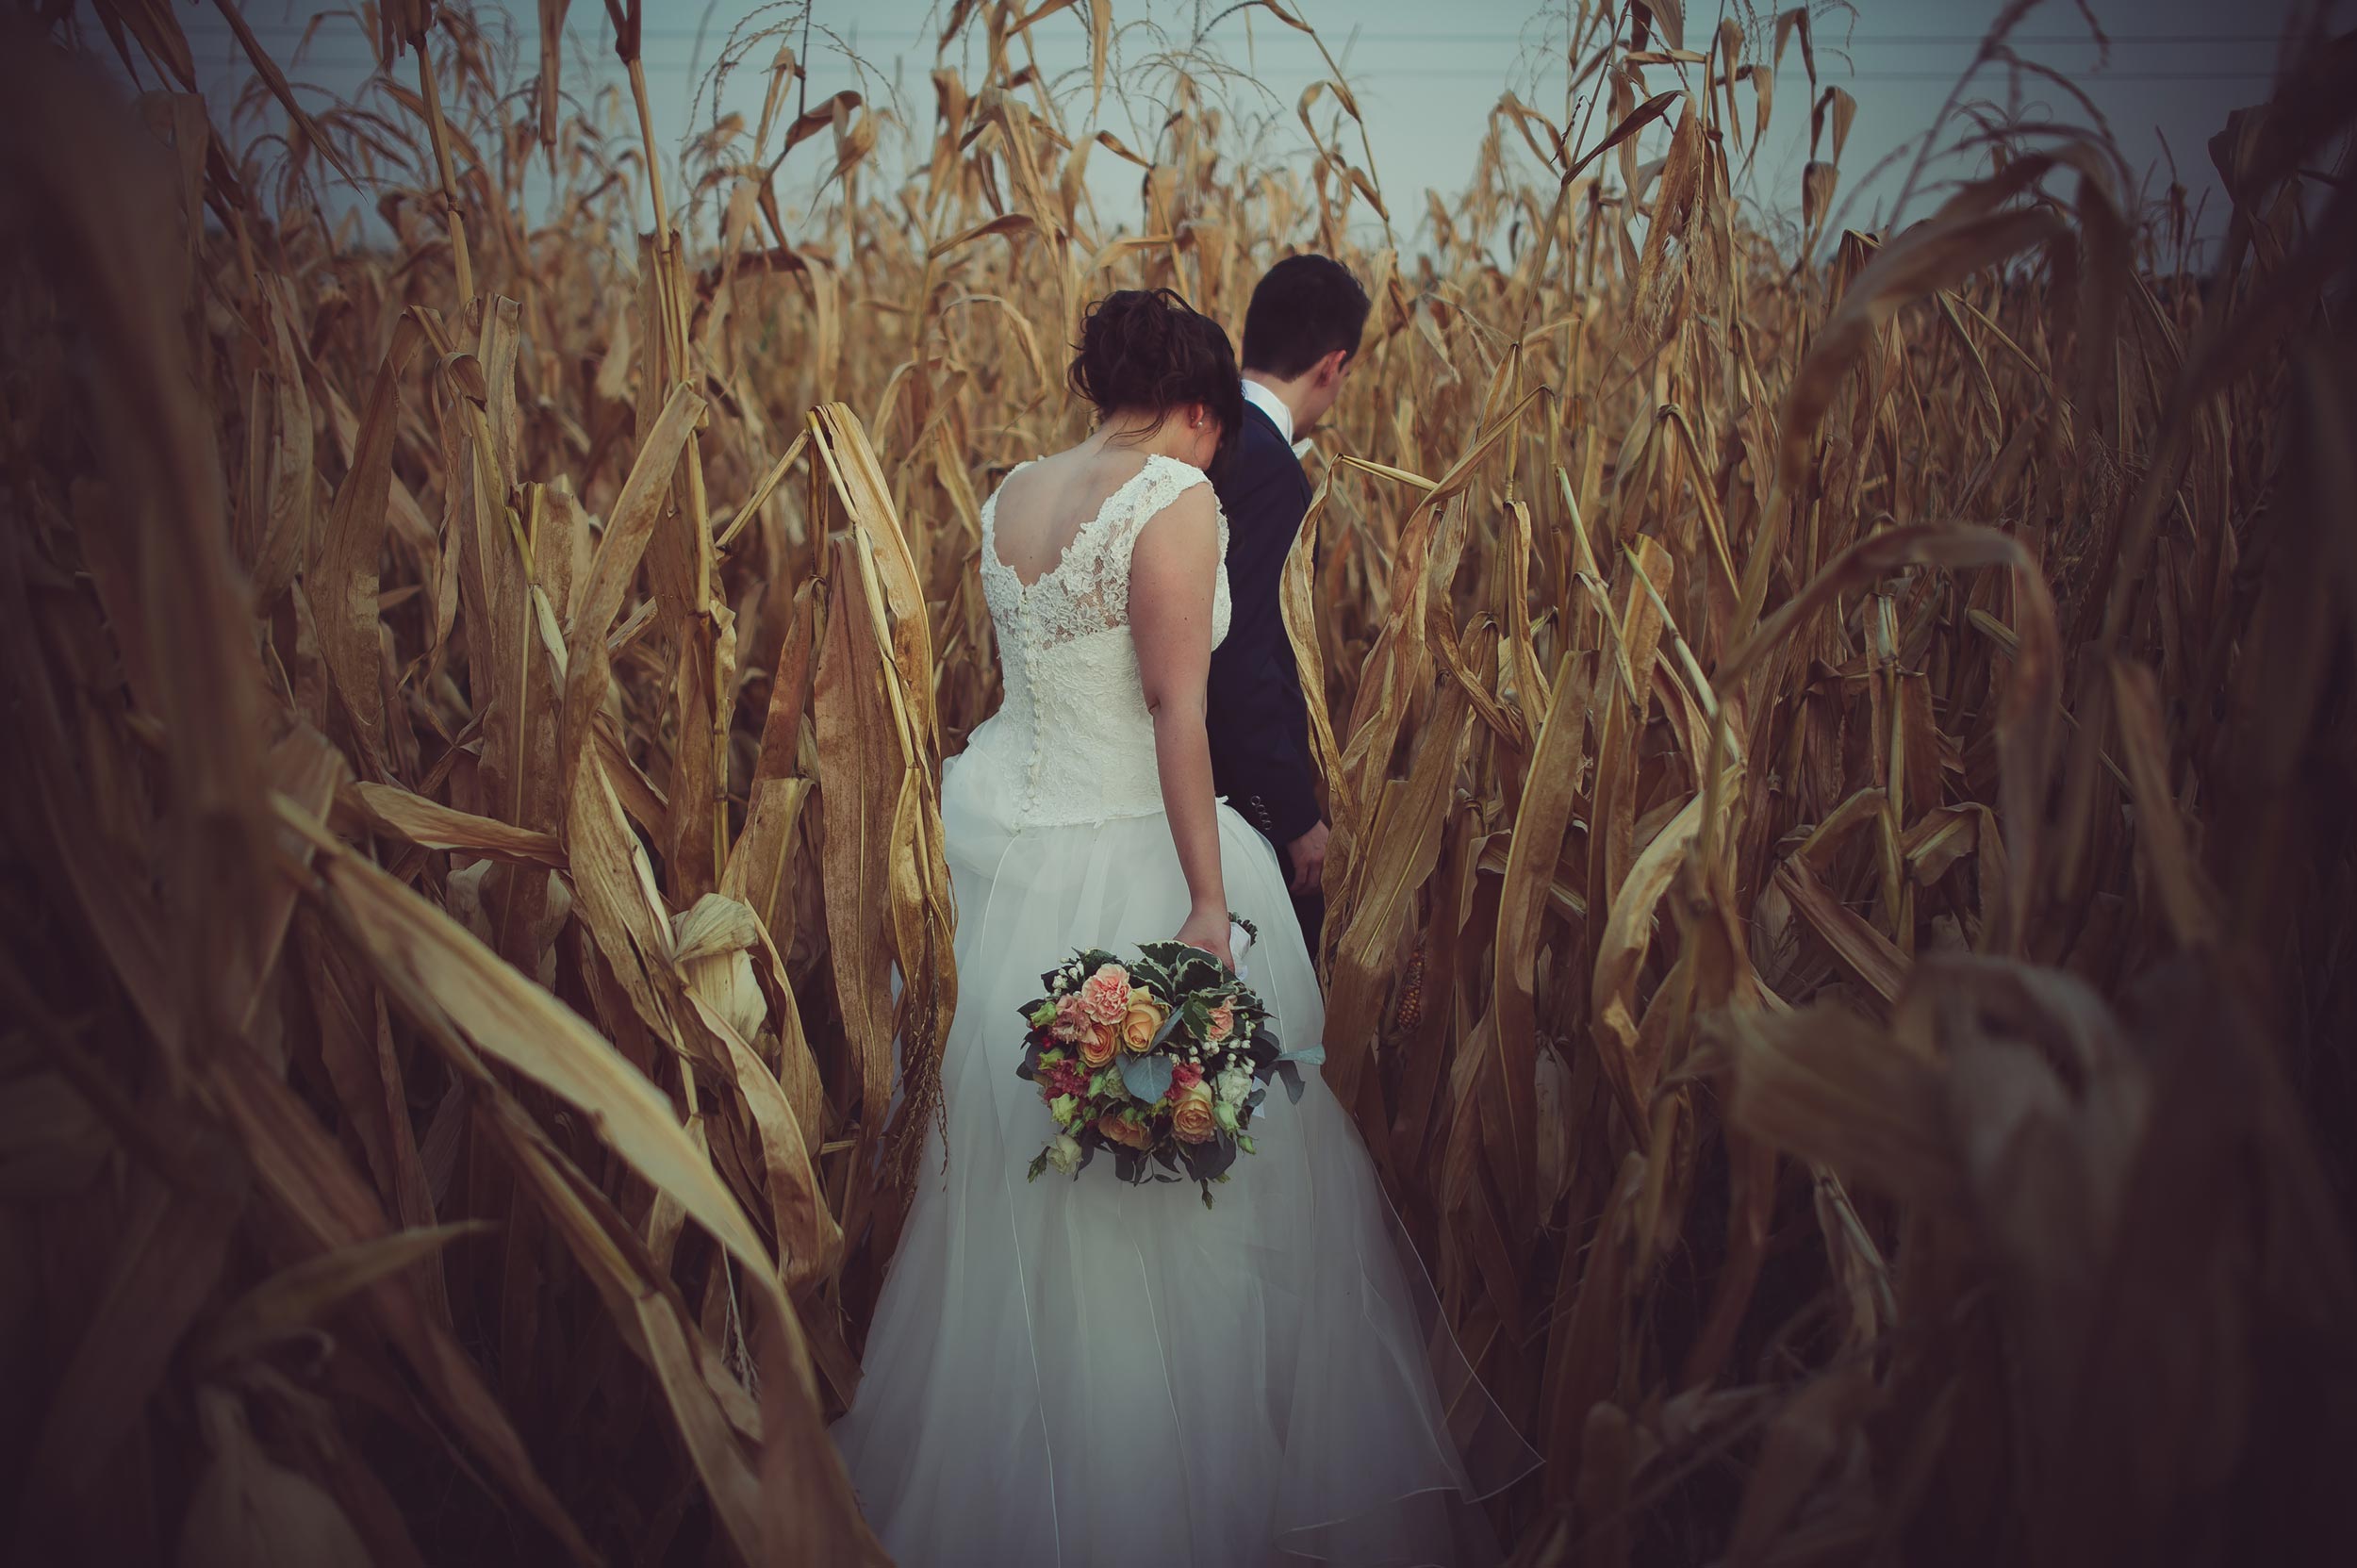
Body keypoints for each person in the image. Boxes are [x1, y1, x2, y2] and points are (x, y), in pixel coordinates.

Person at [831, 289, 1529, 1566]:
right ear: (1204, 405)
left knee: (1002, 1182)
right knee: (1183, 1208)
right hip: (1127, 851)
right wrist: (1210, 901)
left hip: (989, 848)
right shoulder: (1179, 497)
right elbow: (1175, 711)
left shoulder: (1013, 495)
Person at [1208, 254, 1370, 952]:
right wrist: (1293, 815)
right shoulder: (1271, 468)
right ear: (1333, 365)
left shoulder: (1200, 435)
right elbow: (1242, 654)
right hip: (1232, 801)